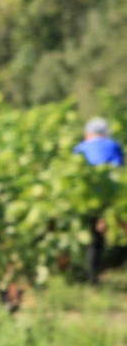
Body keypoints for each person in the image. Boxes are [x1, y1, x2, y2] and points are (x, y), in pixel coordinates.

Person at [74, 117, 123, 284]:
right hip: (107, 198)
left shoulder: (79, 148)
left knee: (88, 236)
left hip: (82, 198)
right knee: (99, 236)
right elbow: (119, 169)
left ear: (88, 134)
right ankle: (94, 274)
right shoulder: (113, 145)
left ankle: (87, 274)